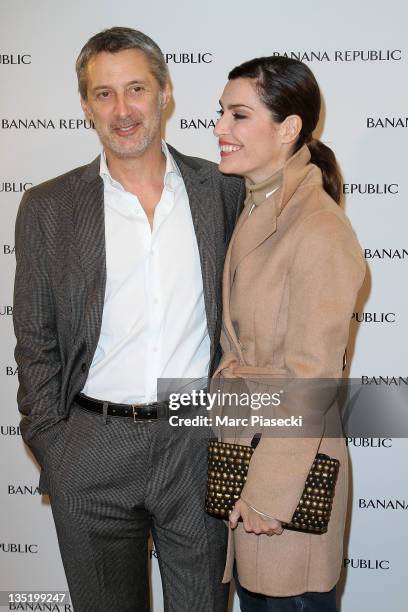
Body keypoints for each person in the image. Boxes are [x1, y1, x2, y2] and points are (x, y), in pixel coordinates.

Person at [13, 27, 245, 612]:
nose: (123, 110)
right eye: (104, 94)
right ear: (87, 104)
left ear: (165, 93)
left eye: (136, 89)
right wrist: (55, 446)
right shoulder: (48, 206)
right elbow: (35, 339)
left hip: (197, 440)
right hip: (91, 447)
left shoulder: (220, 189)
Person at [212, 56, 366, 611]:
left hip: (287, 472)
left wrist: (270, 497)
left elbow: (312, 376)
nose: (221, 129)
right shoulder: (260, 206)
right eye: (221, 113)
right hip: (250, 451)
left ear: (289, 128)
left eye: (239, 115)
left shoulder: (318, 227)